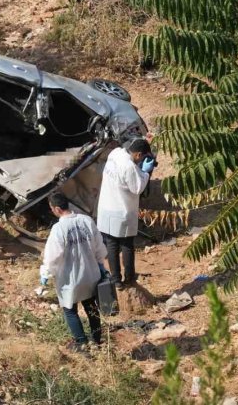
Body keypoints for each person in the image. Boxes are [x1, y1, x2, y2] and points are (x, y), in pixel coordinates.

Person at [39, 193, 108, 350]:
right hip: (91, 274)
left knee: (70, 311)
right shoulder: (86, 221)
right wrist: (100, 264)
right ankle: (97, 340)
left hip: (70, 279)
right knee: (91, 308)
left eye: (51, 209)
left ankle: (81, 342)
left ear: (56, 209)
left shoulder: (59, 229)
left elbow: (52, 257)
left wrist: (46, 273)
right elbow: (99, 246)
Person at [96, 138, 157, 287]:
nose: (142, 160)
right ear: (138, 155)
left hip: (106, 209)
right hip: (121, 212)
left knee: (111, 245)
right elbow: (138, 188)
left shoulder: (115, 153)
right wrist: (145, 172)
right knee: (127, 244)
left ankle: (116, 280)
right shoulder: (130, 167)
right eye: (142, 158)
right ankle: (129, 278)